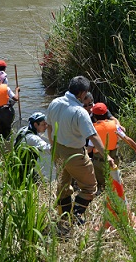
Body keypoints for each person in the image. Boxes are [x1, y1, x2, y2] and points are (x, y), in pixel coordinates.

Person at [46, 76, 114, 225]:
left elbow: (49, 126)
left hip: (57, 149)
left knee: (63, 185)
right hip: (74, 153)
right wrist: (107, 156)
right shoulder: (79, 111)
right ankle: (76, 216)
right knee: (90, 187)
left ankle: (64, 216)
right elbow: (93, 136)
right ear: (83, 93)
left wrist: (53, 146)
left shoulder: (55, 103)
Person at [89, 102, 120, 189]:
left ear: (94, 116)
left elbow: (89, 149)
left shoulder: (93, 129)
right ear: (107, 114)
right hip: (114, 159)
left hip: (99, 162)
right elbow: (123, 137)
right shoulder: (115, 125)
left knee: (102, 185)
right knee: (114, 180)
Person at [14, 112, 52, 182]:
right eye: (43, 124)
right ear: (35, 124)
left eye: (46, 124)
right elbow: (48, 149)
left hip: (15, 165)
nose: (46, 126)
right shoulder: (32, 138)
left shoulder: (23, 129)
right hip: (24, 170)